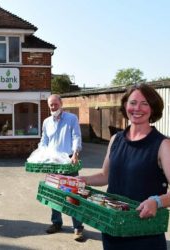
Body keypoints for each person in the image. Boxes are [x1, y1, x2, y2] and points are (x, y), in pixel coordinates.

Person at [80, 83, 170, 250]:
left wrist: (157, 201)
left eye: (145, 103)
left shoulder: (163, 145)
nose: (138, 108)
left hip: (144, 233)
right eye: (133, 102)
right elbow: (105, 176)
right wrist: (81, 180)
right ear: (125, 105)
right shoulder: (116, 139)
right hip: (113, 229)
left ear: (153, 109)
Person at [38, 94, 84, 242]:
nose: (53, 107)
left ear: (61, 104)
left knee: (72, 195)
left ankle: (78, 227)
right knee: (54, 194)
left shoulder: (71, 119)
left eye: (55, 104)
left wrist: (75, 153)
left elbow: (76, 136)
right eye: (51, 105)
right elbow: (44, 141)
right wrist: (41, 155)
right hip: (53, 163)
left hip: (68, 162)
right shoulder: (46, 122)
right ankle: (56, 223)